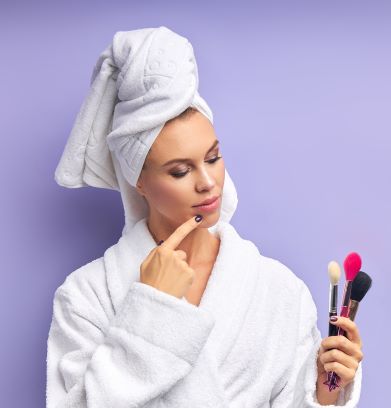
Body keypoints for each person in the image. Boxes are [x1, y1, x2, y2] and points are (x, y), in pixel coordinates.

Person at [47, 27, 364, 407]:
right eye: (180, 171)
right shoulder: (87, 295)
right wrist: (151, 308)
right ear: (139, 181)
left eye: (213, 158)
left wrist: (325, 395)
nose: (208, 182)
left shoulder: (277, 288)